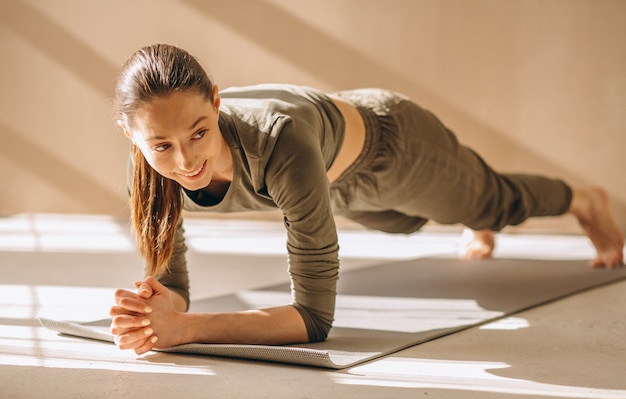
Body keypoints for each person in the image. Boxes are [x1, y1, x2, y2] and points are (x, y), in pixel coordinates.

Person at [110, 44, 624, 355]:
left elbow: (313, 318)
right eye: (161, 146)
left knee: (494, 203)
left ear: (217, 103)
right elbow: (174, 286)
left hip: (393, 146)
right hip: (335, 179)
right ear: (132, 136)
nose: (184, 162)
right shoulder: (150, 173)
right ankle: (468, 213)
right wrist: (154, 310)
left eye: (199, 132)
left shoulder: (279, 140)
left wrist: (184, 331)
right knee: (404, 224)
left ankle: (584, 200)